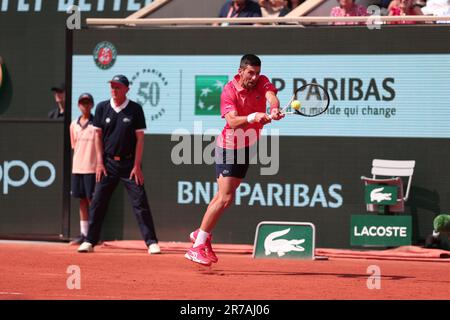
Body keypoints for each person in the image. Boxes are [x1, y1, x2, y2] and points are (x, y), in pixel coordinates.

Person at [184, 54, 284, 266]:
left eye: (257, 72)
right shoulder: (229, 91)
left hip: (248, 146)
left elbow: (271, 97)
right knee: (225, 198)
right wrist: (252, 117)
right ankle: (197, 245)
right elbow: (232, 120)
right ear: (241, 71)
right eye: (250, 73)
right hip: (229, 147)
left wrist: (273, 109)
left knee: (224, 196)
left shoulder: (262, 80)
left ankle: (200, 235)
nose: (255, 77)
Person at [77, 75, 160, 255]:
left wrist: (137, 165)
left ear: (126, 89)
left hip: (130, 164)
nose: (114, 90)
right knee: (97, 202)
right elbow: (98, 136)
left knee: (140, 203)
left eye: (118, 87)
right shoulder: (101, 108)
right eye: (112, 87)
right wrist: (99, 162)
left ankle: (151, 242)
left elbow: (140, 139)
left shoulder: (135, 109)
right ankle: (89, 241)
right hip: (107, 164)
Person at [69, 93, 97, 245]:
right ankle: (84, 234)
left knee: (93, 201)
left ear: (92, 105)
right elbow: (74, 146)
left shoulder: (96, 124)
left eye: (87, 103)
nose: (85, 105)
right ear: (78, 105)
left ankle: (93, 235)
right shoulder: (73, 125)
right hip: (77, 168)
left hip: (92, 169)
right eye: (82, 103)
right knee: (82, 201)